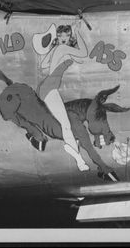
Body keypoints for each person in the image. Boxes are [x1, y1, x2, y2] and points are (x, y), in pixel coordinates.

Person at [33, 22, 90, 171]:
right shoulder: (62, 48)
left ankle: (76, 154)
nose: (63, 38)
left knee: (66, 125)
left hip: (47, 87)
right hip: (49, 88)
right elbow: (83, 53)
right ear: (57, 38)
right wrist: (77, 33)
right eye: (60, 36)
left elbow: (43, 65)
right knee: (66, 125)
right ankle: (79, 160)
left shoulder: (60, 50)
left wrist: (56, 51)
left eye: (67, 35)